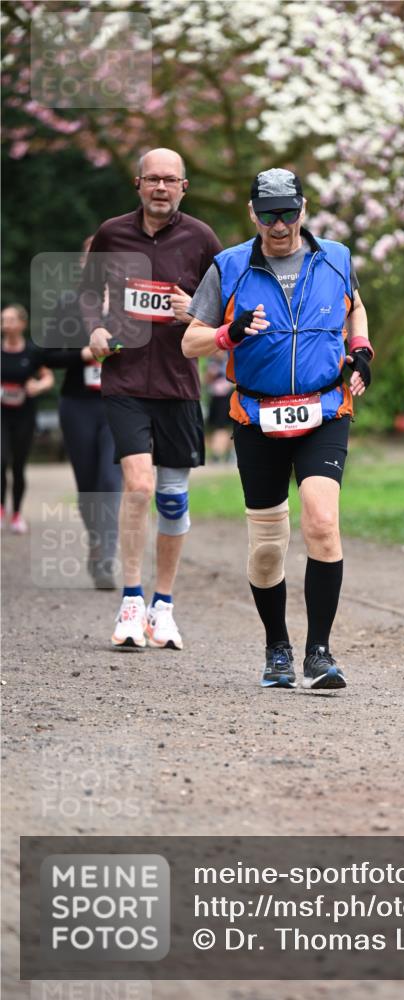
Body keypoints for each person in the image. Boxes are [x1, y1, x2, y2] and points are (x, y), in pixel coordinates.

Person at [183, 167, 373, 691]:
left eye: (288, 212)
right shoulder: (229, 267)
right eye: (269, 214)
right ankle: (277, 648)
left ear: (303, 209)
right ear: (253, 214)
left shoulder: (336, 257)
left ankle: (320, 652)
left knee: (321, 522)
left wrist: (360, 351)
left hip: (324, 410)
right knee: (267, 547)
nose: (280, 224)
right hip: (257, 417)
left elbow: (355, 310)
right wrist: (228, 332)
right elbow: (189, 343)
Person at [79, 148, 222, 649]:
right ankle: (131, 600)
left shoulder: (203, 239)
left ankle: (164, 606)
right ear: (138, 184)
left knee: (172, 497)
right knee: (138, 486)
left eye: (171, 180)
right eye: (152, 179)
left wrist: (196, 312)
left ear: (184, 187)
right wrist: (94, 327)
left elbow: (227, 306)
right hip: (124, 380)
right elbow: (85, 291)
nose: (161, 187)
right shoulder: (112, 234)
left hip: (179, 385)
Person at [45, 236, 123, 588]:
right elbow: (46, 353)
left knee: (111, 480)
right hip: (77, 403)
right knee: (89, 485)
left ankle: (107, 556)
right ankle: (96, 541)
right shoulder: (68, 303)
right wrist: (82, 355)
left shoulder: (127, 304)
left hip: (120, 404)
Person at [1, 305, 54, 533]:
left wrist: (38, 386)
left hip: (24, 414)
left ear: (22, 324)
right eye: (3, 320)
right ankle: (1, 509)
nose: (6, 324)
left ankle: (17, 515)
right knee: (0, 460)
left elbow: (48, 377)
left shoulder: (32, 352)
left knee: (19, 466)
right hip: (1, 414)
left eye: (11, 320)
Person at [205, 353, 235, 463]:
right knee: (217, 426)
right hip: (215, 397)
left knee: (222, 426)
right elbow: (207, 379)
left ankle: (218, 453)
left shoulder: (230, 358)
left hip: (227, 397)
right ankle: (222, 453)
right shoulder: (212, 361)